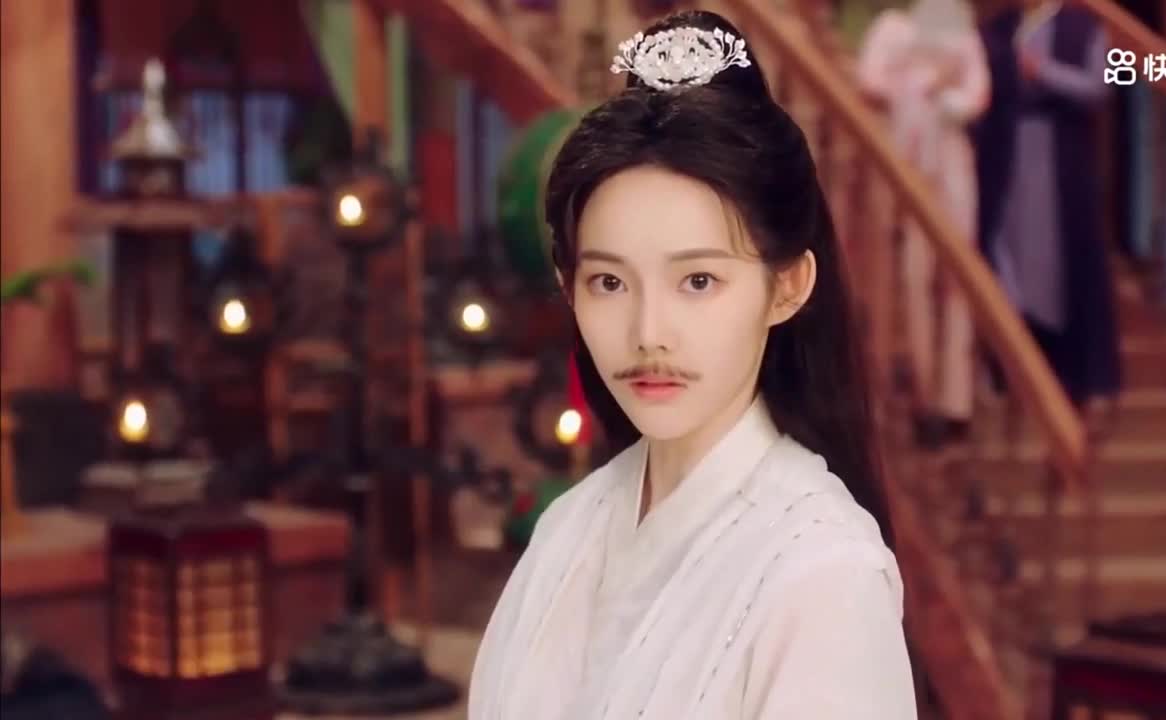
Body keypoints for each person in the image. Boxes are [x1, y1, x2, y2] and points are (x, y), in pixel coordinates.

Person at [468, 10, 916, 719]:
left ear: (787, 286)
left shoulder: (823, 574)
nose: (649, 333)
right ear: (567, 286)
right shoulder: (570, 527)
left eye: (698, 281)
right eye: (609, 282)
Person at [973, 0, 1123, 408]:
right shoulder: (1001, 26)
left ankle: (1068, 372)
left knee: (1055, 262)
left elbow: (1100, 86)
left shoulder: (1084, 26)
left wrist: (1044, 72)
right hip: (1004, 155)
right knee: (1005, 252)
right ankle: (1010, 363)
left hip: (1060, 157)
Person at [856, 0, 990, 449]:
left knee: (957, 283)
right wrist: (926, 82)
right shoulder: (893, 27)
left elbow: (976, 96)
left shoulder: (963, 32)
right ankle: (923, 393)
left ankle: (956, 401)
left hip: (952, 165)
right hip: (908, 166)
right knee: (915, 279)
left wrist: (939, 91)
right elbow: (870, 80)